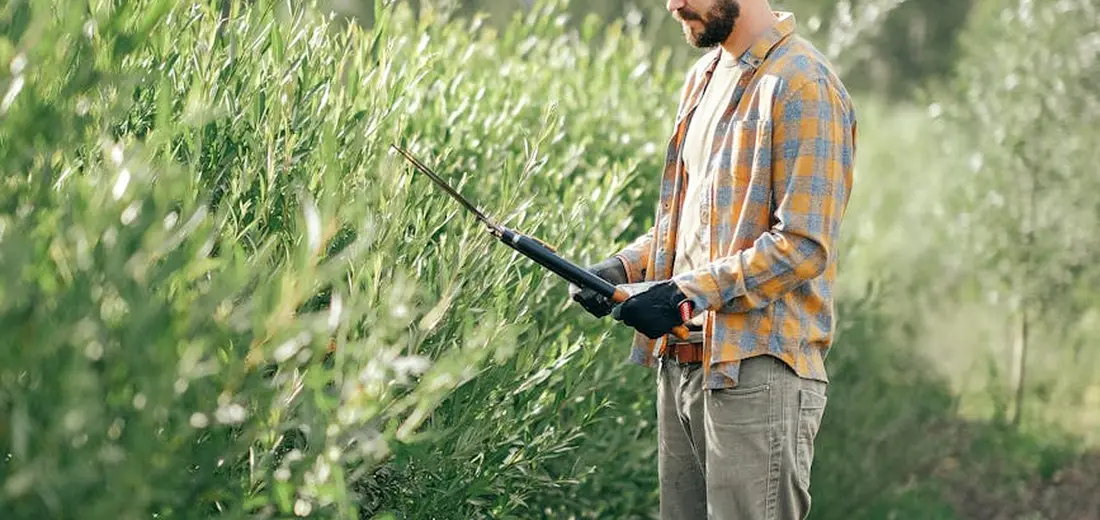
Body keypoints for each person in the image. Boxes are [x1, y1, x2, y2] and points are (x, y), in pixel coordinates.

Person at [569, 1, 857, 518]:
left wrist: (683, 294)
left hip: (759, 376)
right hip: (680, 368)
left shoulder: (803, 84)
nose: (673, 4)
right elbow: (694, 222)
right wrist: (624, 269)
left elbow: (804, 244)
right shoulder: (703, 77)